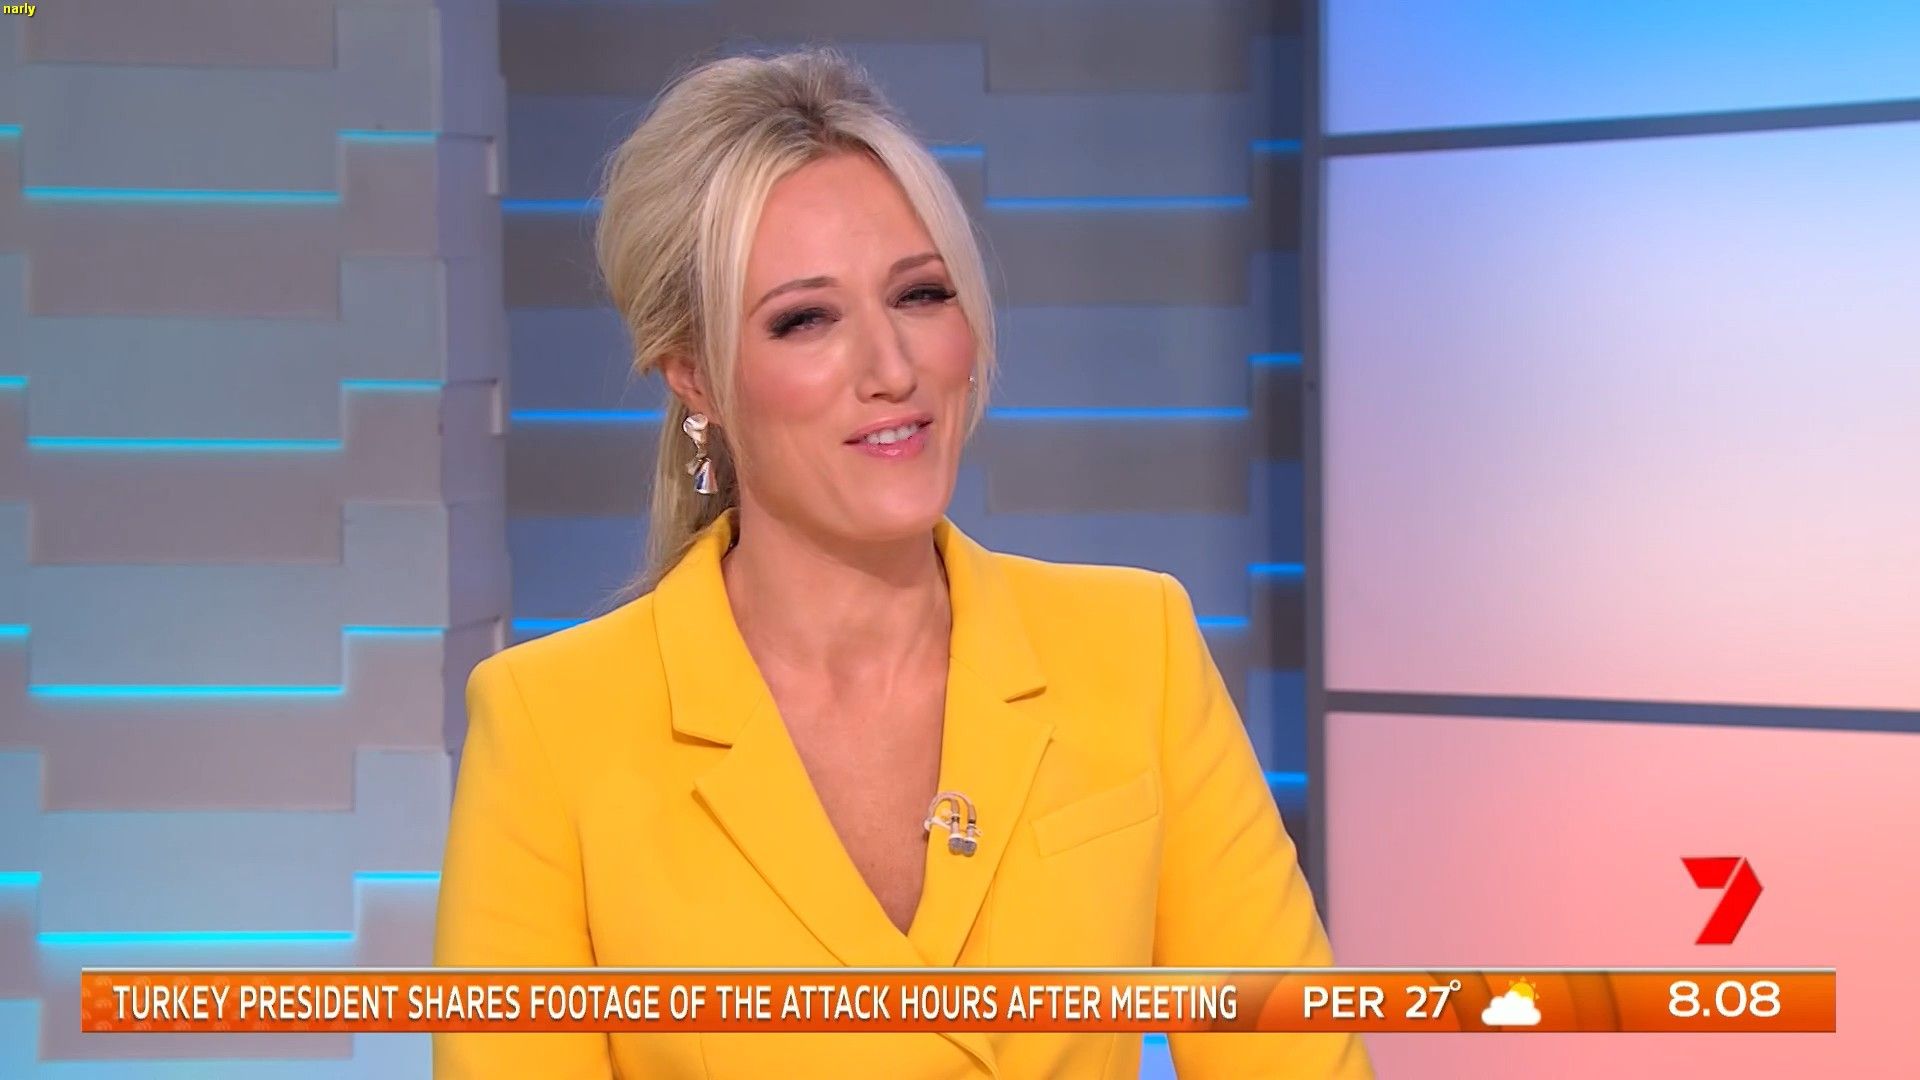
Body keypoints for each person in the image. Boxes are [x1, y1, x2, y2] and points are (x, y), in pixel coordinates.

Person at [434, 47, 1371, 1079]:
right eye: (806, 319)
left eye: (921, 296)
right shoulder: (551, 732)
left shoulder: (1135, 650)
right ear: (693, 373)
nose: (893, 369)